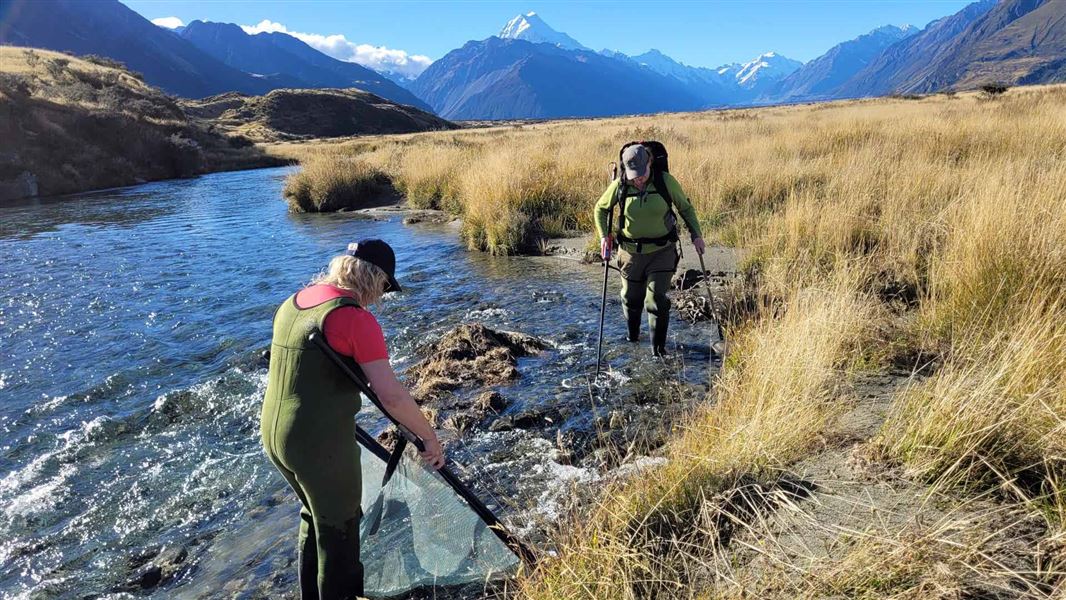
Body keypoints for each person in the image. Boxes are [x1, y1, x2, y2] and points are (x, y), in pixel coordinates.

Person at [261, 239, 444, 600]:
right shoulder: (354, 319)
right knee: (341, 534)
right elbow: (391, 396)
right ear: (373, 278)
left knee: (315, 518)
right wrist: (429, 438)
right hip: (319, 444)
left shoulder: (295, 302)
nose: (381, 296)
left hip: (274, 436)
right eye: (385, 286)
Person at [594, 144, 705, 357]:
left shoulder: (665, 182)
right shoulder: (620, 185)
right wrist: (603, 237)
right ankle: (633, 338)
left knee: (655, 300)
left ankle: (658, 352)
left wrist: (696, 235)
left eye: (641, 174)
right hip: (630, 254)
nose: (638, 179)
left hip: (662, 252)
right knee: (631, 299)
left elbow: (685, 208)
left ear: (650, 163)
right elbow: (600, 208)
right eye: (633, 175)